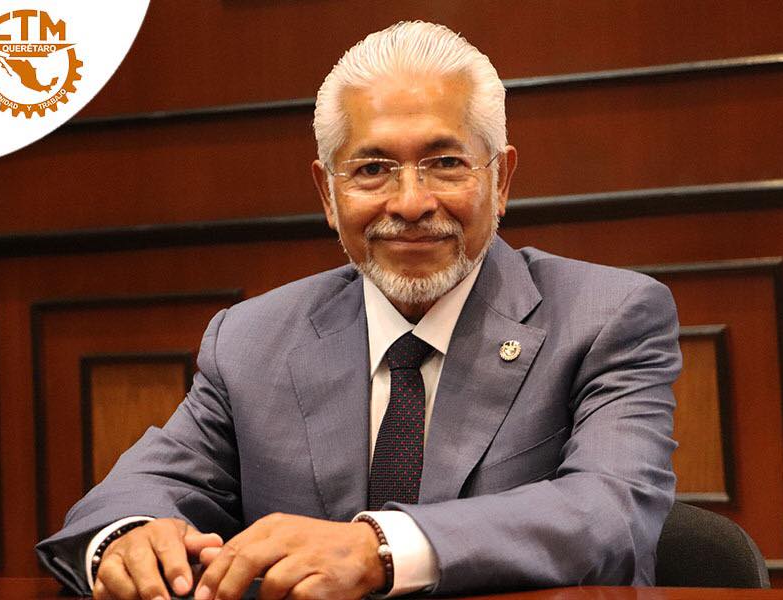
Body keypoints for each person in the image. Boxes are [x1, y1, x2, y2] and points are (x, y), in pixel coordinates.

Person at [37, 21, 681, 600]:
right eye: (373, 169)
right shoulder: (252, 340)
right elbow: (134, 492)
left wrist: (381, 548)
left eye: (446, 164)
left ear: (500, 179)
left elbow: (612, 512)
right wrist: (129, 538)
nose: (410, 202)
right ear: (327, 193)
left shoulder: (607, 317)